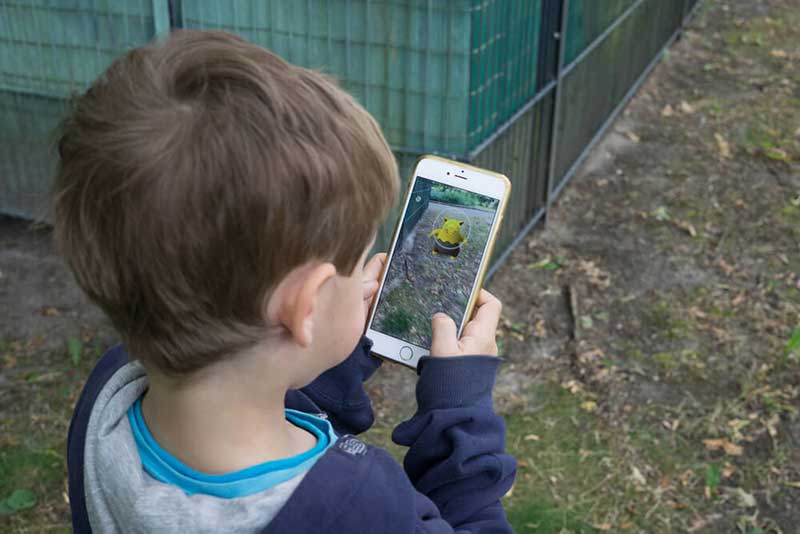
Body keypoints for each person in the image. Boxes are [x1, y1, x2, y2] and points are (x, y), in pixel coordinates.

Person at [56, 30, 516, 533]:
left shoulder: (110, 397)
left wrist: (333, 343)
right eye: (356, 258)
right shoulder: (360, 508)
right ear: (305, 306)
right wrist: (460, 416)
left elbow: (246, 377)